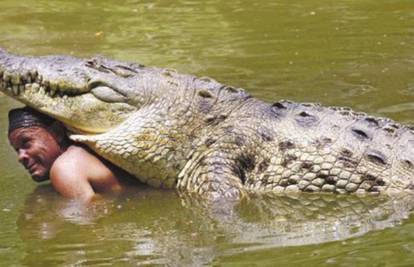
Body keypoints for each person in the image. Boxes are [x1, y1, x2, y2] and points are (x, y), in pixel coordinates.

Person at [7, 106, 137, 203]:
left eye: (26, 143)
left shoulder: (65, 167)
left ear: (57, 132)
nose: (20, 157)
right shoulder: (87, 153)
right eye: (17, 149)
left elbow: (93, 225)